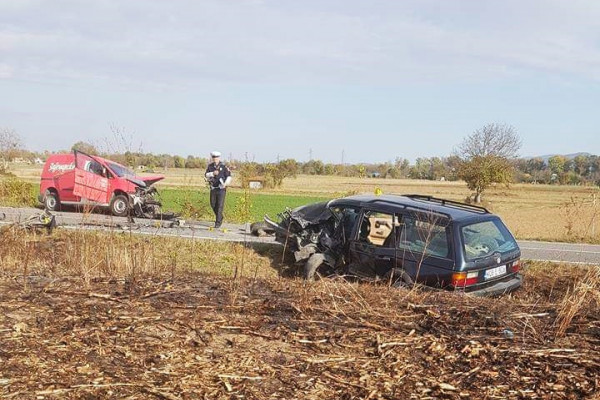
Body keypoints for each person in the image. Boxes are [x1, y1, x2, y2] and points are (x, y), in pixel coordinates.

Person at [205, 151, 232, 228]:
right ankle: (220, 217)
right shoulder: (210, 166)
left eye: (216, 157)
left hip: (221, 189)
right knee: (213, 204)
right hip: (213, 188)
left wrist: (225, 184)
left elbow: (229, 176)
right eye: (213, 157)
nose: (215, 159)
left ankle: (218, 222)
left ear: (219, 158)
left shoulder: (223, 166)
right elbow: (206, 175)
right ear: (212, 158)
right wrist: (213, 173)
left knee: (220, 206)